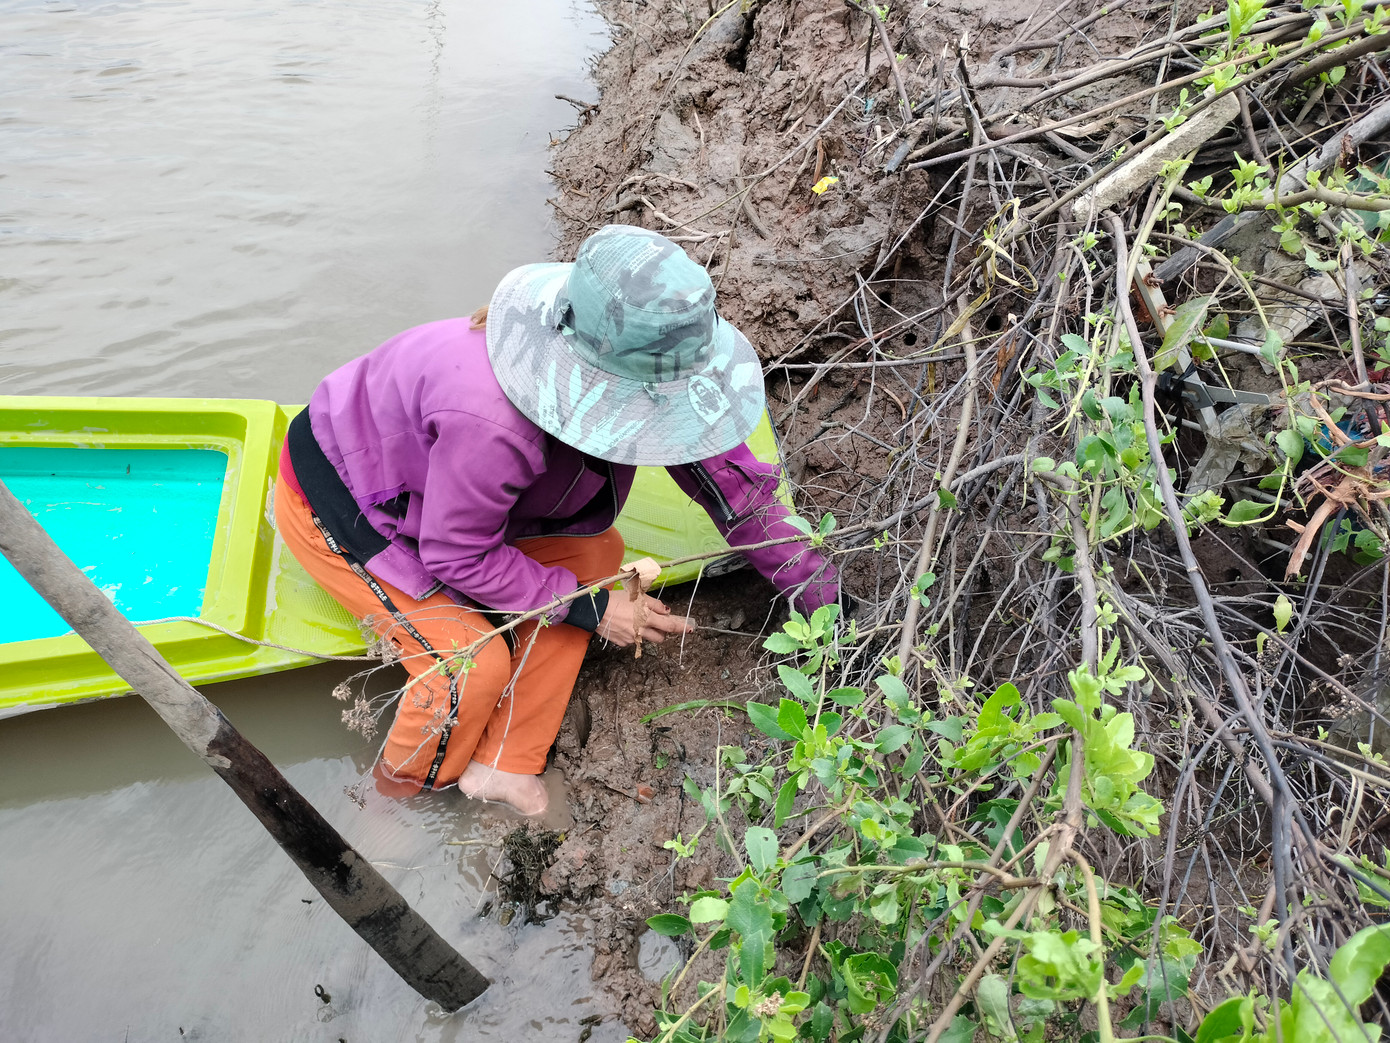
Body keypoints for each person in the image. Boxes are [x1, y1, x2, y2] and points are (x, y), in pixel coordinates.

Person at [274, 225, 838, 815]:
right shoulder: (492, 421)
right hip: (353, 505)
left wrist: (825, 604)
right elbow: (456, 552)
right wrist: (595, 611)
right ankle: (397, 796)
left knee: (596, 557)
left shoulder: (656, 363)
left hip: (454, 497)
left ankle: (503, 764)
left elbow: (737, 491)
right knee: (468, 667)